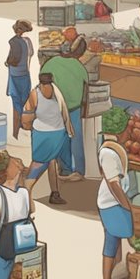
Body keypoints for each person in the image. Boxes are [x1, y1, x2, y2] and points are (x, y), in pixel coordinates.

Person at [40, 37, 89, 181]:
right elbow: (87, 83)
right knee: (76, 137)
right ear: (80, 53)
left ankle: (65, 169)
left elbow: (42, 81)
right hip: (74, 107)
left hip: (56, 107)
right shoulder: (79, 66)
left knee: (62, 138)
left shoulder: (51, 63)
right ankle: (79, 171)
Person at [22, 73, 72, 206]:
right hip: (58, 133)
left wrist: (26, 126)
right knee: (52, 162)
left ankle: (25, 191)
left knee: (38, 163)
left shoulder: (35, 94)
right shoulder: (57, 92)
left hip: (42, 133)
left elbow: (27, 114)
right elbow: (63, 112)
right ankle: (54, 193)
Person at [96, 139, 132, 279]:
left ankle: (113, 274)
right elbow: (113, 184)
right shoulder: (108, 153)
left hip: (110, 203)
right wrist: (126, 205)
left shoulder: (110, 149)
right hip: (111, 204)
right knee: (112, 238)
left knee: (113, 237)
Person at [6, 20, 34, 139]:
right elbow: (30, 55)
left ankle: (15, 133)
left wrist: (8, 62)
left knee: (16, 103)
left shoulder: (14, 41)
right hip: (26, 74)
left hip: (15, 75)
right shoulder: (28, 41)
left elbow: (14, 58)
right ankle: (24, 127)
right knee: (25, 101)